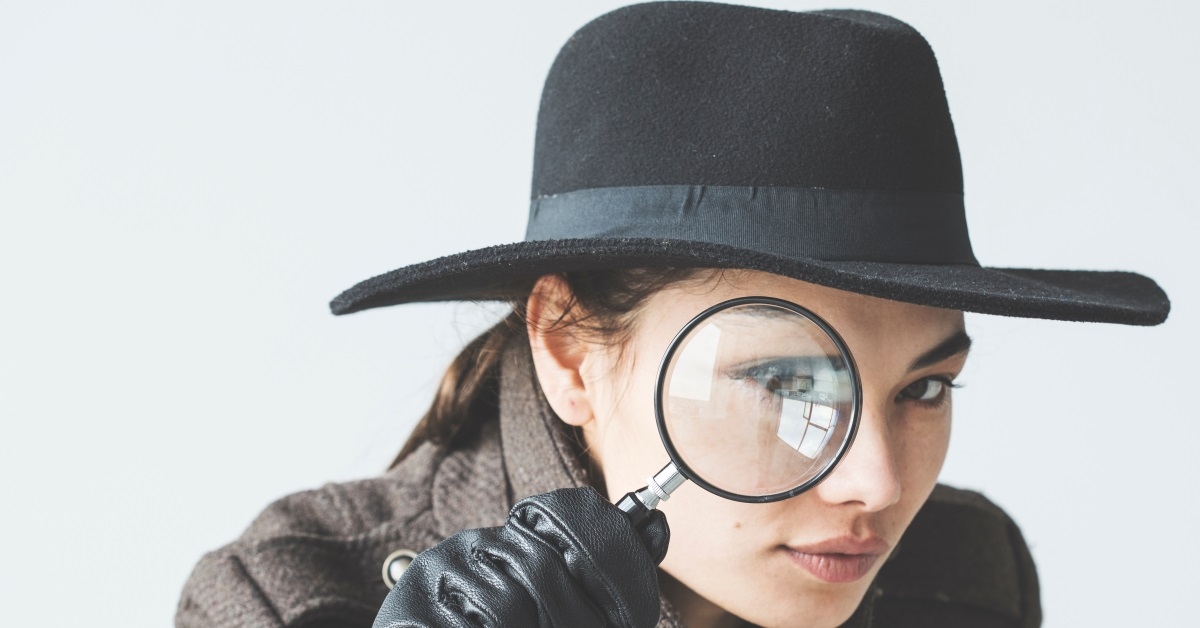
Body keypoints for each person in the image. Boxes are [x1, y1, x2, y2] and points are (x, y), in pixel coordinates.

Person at [176, 3, 1169, 627]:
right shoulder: (284, 601)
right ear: (568, 350)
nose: (878, 483)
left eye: (926, 386)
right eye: (786, 381)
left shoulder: (967, 579)